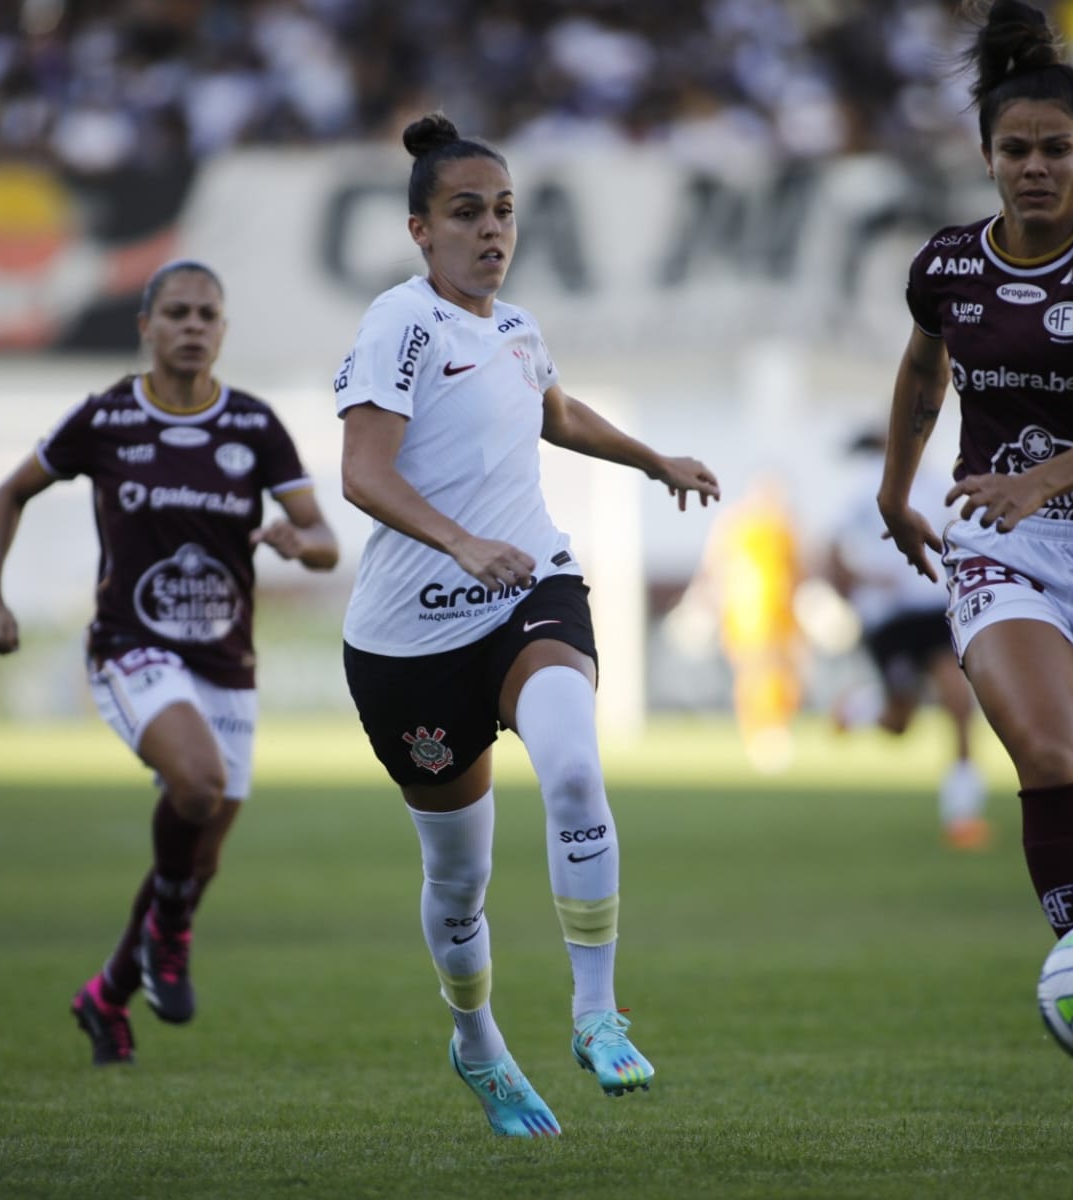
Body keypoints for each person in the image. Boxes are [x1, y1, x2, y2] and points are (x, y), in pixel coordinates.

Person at [334, 113, 720, 1139]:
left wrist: (654, 462)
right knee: (458, 884)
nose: (491, 231)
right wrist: (460, 544)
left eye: (503, 212)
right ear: (420, 229)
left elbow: (555, 413)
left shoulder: (513, 325)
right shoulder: (399, 324)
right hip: (407, 645)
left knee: (575, 769)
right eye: (467, 214)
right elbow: (362, 472)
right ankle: (476, 1044)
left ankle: (596, 1012)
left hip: (527, 592)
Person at [876, 0, 1073, 1114]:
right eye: (1015, 149)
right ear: (987, 158)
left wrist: (1038, 478)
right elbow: (925, 373)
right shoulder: (947, 264)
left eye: (1056, 148)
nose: (1035, 166)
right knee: (1050, 761)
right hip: (996, 551)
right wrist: (894, 485)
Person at [0, 260, 340, 1067]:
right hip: (129, 648)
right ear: (146, 324)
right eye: (177, 312)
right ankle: (171, 932)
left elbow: (324, 541)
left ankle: (105, 995)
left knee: (200, 851)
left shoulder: (253, 425)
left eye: (208, 314)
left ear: (224, 330)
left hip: (227, 662)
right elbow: (10, 492)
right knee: (199, 786)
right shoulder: (106, 418)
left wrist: (296, 539)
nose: (193, 326)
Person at [826, 431, 989, 849]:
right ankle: (861, 708)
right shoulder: (865, 489)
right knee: (900, 723)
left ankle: (962, 814)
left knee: (958, 700)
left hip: (933, 611)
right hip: (889, 619)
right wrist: (862, 582)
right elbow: (831, 555)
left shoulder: (939, 485)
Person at [699, 474, 805, 773]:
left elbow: (800, 565)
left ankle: (778, 725)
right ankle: (757, 731)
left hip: (782, 611)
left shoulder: (785, 525)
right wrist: (708, 600)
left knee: (785, 671)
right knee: (753, 673)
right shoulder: (736, 522)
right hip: (747, 611)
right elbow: (716, 562)